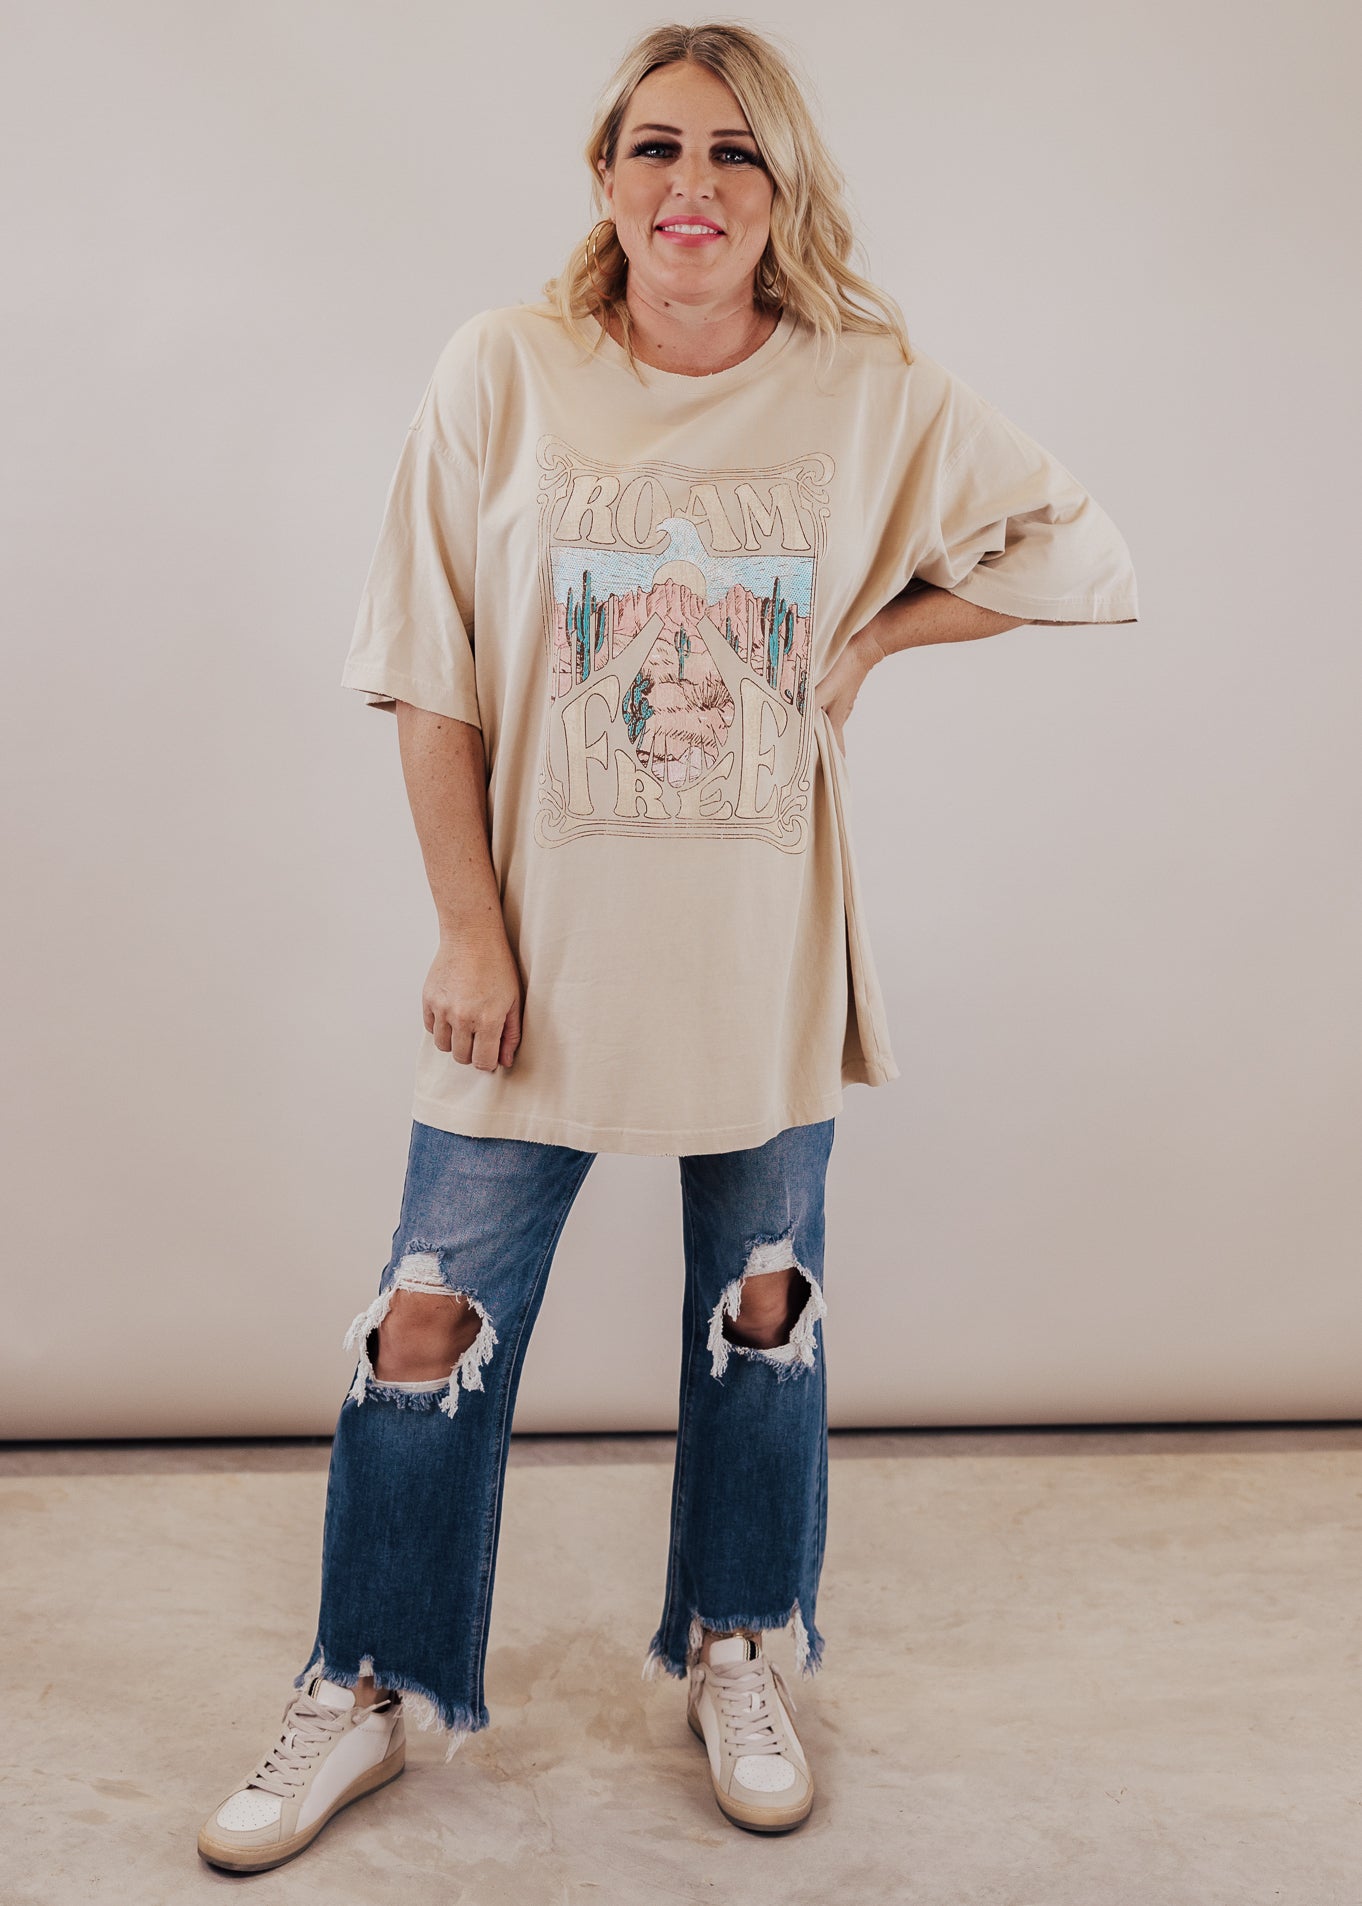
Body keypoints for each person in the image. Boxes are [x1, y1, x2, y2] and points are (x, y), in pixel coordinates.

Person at [197, 18, 1138, 1872]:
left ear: (782, 188)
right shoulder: (503, 369)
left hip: (758, 940)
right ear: (604, 175)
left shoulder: (865, 390)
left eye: (731, 152)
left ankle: (737, 1644)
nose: (689, 185)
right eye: (654, 147)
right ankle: (366, 1679)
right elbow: (430, 673)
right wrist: (467, 927)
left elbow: (1075, 544)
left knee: (760, 1310)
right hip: (535, 954)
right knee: (426, 1318)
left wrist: (869, 637)